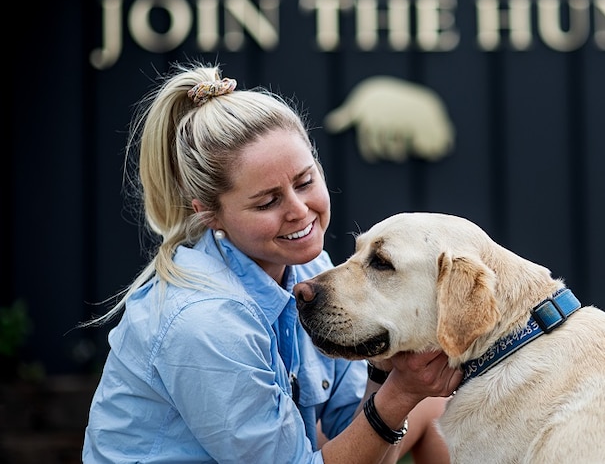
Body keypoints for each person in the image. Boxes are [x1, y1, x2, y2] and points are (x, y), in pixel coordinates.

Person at [81, 61, 462, 464]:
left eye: (305, 181)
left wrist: (385, 374)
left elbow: (363, 436)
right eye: (267, 202)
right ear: (209, 214)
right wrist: (399, 393)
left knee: (433, 408)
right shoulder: (204, 323)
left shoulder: (313, 273)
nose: (300, 211)